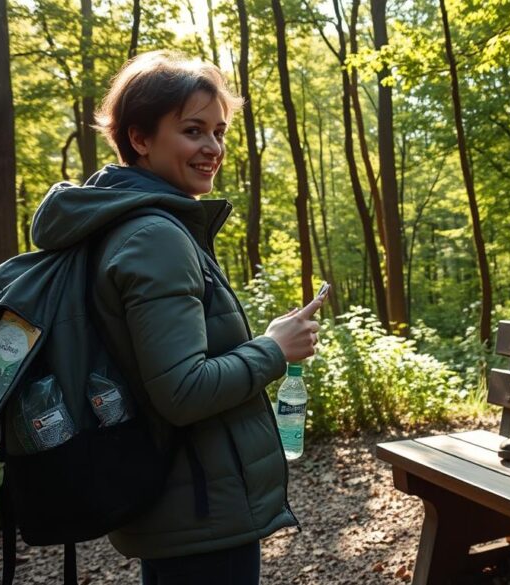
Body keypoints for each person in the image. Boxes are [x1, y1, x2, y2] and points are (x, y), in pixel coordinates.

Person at [28, 50, 320, 584]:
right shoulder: (154, 236)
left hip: (182, 501)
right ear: (140, 139)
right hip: (201, 510)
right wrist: (275, 348)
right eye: (193, 130)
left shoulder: (128, 222)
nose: (213, 149)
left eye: (219, 132)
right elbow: (182, 391)